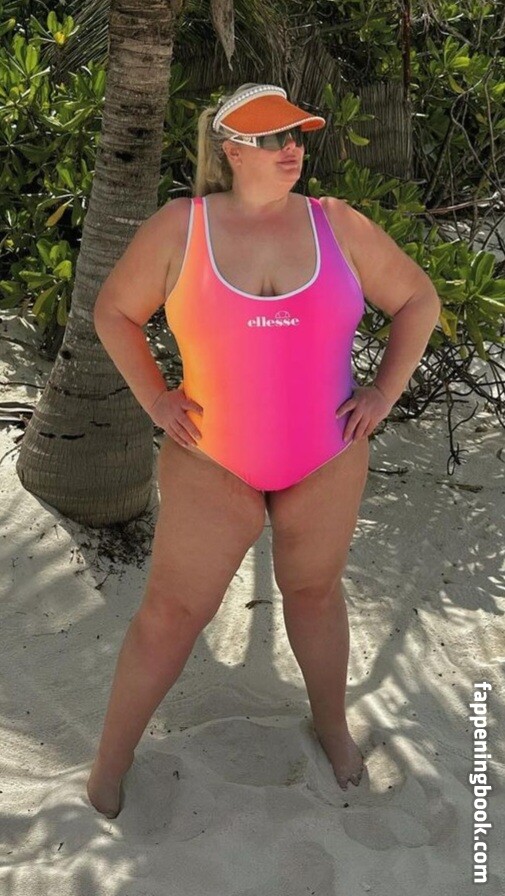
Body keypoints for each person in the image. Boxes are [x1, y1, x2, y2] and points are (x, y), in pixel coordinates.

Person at [87, 83, 441, 817]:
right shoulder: (180, 227)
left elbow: (418, 300)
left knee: (314, 595)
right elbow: (114, 311)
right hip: (211, 460)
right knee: (170, 613)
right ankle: (108, 765)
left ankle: (333, 728)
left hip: (326, 458)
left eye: (296, 136)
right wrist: (155, 399)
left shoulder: (337, 223)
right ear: (231, 150)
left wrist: (383, 391)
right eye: (273, 138)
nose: (291, 150)